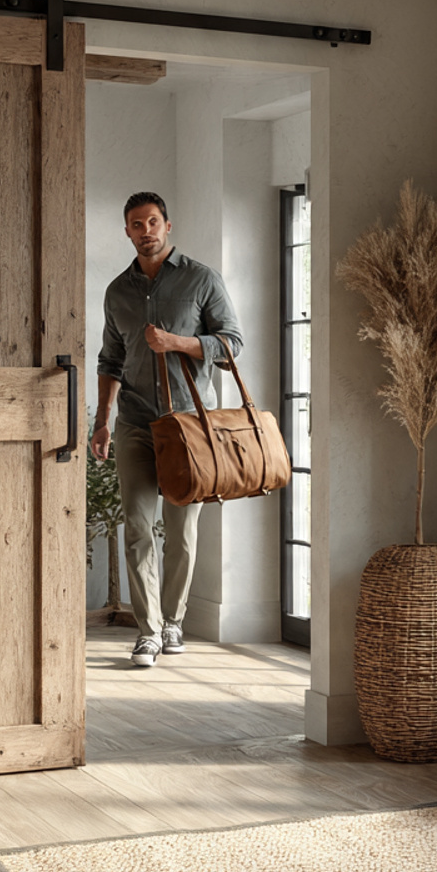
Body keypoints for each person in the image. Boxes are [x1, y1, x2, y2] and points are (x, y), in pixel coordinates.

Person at [90, 192, 243, 667]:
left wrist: (178, 342)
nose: (146, 231)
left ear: (168, 226)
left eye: (153, 221)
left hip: (190, 428)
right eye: (137, 225)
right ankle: (149, 632)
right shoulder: (118, 291)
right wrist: (101, 421)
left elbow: (233, 343)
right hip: (135, 422)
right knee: (137, 528)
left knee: (181, 531)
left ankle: (174, 621)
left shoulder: (201, 280)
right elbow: (110, 360)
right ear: (128, 232)